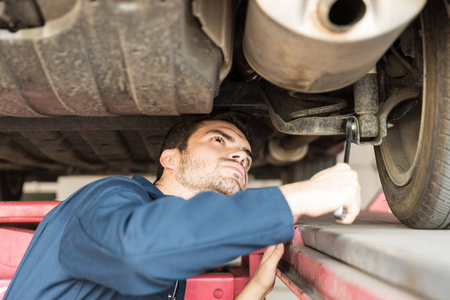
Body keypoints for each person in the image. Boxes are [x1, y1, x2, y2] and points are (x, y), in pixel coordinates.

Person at [4, 112, 361, 300]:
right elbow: (136, 251)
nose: (240, 154)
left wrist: (255, 291)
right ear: (170, 158)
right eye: (219, 139)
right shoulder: (108, 197)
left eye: (247, 158)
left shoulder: (172, 255)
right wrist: (300, 196)